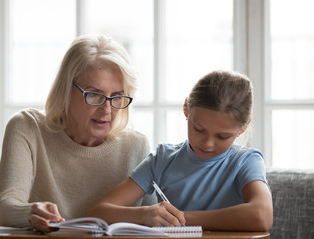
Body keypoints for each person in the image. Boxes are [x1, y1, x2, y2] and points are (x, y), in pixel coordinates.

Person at [0, 34, 155, 232]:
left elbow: (155, 224)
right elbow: (6, 208)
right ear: (66, 91)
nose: (107, 110)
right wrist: (31, 212)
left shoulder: (136, 146)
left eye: (116, 97)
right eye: (95, 95)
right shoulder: (28, 128)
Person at [86, 70, 273, 232]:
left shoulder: (246, 161)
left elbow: (261, 215)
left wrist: (182, 217)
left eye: (222, 137)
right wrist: (145, 215)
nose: (208, 144)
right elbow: (97, 212)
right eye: (199, 129)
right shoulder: (162, 160)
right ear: (186, 109)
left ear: (243, 127)